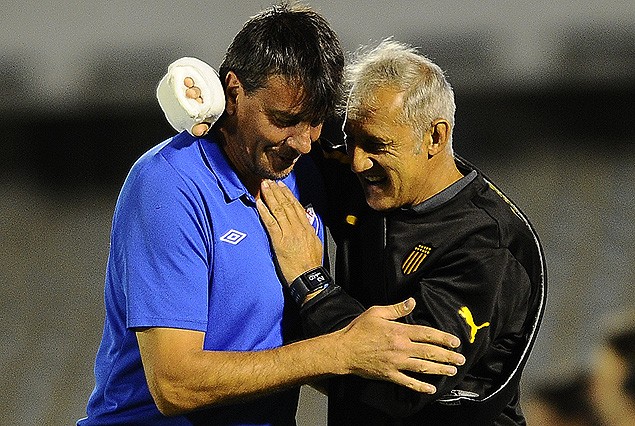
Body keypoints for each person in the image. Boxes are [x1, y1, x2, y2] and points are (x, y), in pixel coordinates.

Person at [77, 6, 466, 426]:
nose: (302, 142)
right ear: (233, 90)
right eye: (284, 120)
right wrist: (339, 351)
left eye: (315, 122)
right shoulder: (168, 184)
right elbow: (174, 384)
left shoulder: (302, 172)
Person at [256, 39, 547, 424]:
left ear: (435, 138)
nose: (357, 162)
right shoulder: (374, 180)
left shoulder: (487, 248)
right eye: (351, 139)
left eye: (376, 145)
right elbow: (281, 128)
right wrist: (212, 102)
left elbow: (398, 386)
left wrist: (311, 285)